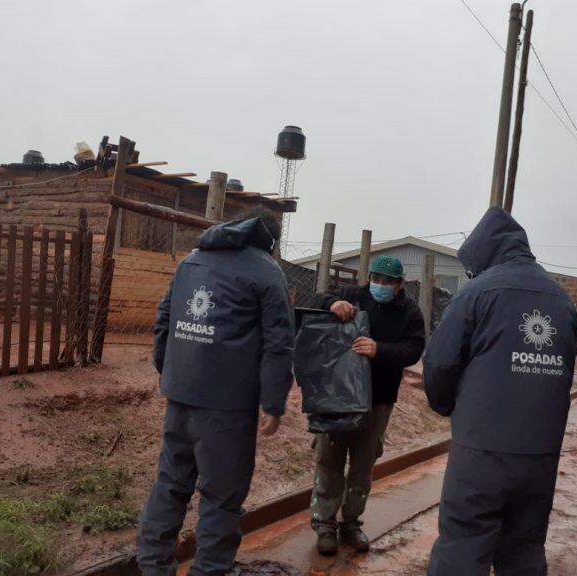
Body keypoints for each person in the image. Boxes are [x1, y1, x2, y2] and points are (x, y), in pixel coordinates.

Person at [137, 208, 295, 576]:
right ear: (270, 240)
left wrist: (172, 373)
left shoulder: (192, 262)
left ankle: (153, 568)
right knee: (221, 499)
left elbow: (164, 319)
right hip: (228, 408)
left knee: (170, 485)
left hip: (181, 397)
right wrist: (273, 402)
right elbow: (278, 343)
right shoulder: (266, 271)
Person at [423, 207, 577, 576]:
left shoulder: (476, 293)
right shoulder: (561, 301)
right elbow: (567, 369)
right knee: (523, 549)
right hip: (541, 454)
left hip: (482, 453)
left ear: (483, 253)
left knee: (464, 545)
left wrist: (445, 405)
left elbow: (440, 364)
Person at [310, 255, 426, 555]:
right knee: (329, 457)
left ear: (400, 285)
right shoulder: (353, 296)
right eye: (376, 278)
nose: (381, 285)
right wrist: (331, 304)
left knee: (363, 461)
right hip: (337, 394)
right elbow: (317, 298)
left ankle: (351, 523)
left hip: (378, 397)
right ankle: (325, 524)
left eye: (388, 281)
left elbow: (414, 349)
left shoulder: (409, 312)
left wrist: (381, 350)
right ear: (369, 277)